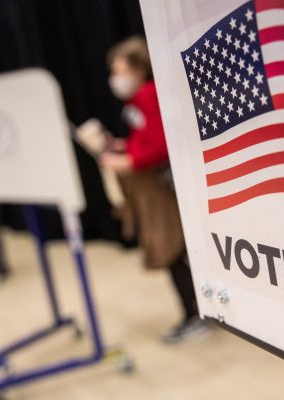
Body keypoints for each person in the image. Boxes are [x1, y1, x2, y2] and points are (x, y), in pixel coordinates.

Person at [101, 36, 210, 344]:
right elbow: (146, 138)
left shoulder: (149, 96)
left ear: (138, 70)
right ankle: (198, 312)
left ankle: (194, 318)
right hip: (157, 185)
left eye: (120, 71)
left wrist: (125, 162)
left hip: (162, 188)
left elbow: (161, 146)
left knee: (173, 251)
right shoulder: (138, 101)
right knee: (180, 252)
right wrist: (124, 146)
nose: (115, 79)